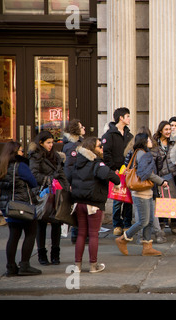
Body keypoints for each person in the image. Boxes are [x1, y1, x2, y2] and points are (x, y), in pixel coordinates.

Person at [69, 137, 120, 273]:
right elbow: (111, 175)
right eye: (99, 147)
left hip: (78, 202)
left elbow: (68, 176)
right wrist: (117, 183)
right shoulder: (97, 163)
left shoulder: (78, 162)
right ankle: (93, 266)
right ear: (92, 149)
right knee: (93, 234)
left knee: (81, 234)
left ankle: (77, 266)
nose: (102, 149)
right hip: (93, 204)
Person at [115, 133, 168, 256]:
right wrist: (161, 181)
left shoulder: (141, 153)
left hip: (147, 192)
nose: (151, 141)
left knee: (149, 221)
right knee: (143, 221)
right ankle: (123, 239)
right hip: (141, 193)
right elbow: (146, 173)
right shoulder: (142, 154)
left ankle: (147, 247)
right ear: (144, 141)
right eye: (148, 139)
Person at [0, 142, 41, 276]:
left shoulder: (2, 165)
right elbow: (33, 182)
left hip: (8, 205)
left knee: (13, 235)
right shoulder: (20, 166)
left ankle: (10, 266)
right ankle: (25, 265)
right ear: (15, 152)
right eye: (21, 151)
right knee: (30, 233)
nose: (23, 153)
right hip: (23, 205)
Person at [28, 131, 70, 265]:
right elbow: (33, 175)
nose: (51, 145)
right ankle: (41, 254)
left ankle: (55, 254)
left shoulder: (56, 156)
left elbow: (61, 173)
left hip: (57, 192)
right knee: (41, 223)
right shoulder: (35, 156)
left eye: (52, 142)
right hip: (42, 193)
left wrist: (66, 188)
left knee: (57, 221)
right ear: (41, 143)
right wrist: (49, 179)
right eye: (48, 143)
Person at [102, 108, 134, 236]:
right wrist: (113, 169)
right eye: (128, 116)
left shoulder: (130, 135)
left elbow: (132, 152)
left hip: (127, 172)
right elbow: (106, 154)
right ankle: (117, 224)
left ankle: (127, 223)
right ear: (121, 118)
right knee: (117, 199)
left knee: (128, 199)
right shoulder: (109, 135)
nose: (129, 118)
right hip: (115, 172)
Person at [153, 120, 176, 235]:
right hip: (160, 176)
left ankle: (174, 225)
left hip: (173, 175)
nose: (168, 131)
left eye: (169, 129)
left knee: (174, 199)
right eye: (166, 129)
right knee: (161, 200)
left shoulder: (174, 142)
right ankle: (161, 225)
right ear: (160, 130)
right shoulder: (155, 143)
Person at [62, 119, 86, 244]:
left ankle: (79, 234)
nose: (84, 128)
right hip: (75, 181)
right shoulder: (72, 146)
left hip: (80, 180)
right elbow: (69, 167)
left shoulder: (79, 143)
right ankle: (76, 235)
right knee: (77, 208)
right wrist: (70, 184)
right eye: (82, 126)